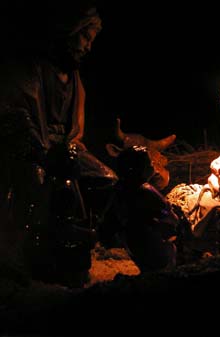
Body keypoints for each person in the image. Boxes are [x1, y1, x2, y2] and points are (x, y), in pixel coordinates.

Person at [0, 3, 117, 284]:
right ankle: (31, 255)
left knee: (106, 180)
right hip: (37, 151)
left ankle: (84, 241)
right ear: (68, 33)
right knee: (41, 191)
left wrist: (71, 149)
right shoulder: (33, 70)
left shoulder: (74, 77)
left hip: (68, 149)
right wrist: (42, 153)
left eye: (92, 40)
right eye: (85, 38)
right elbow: (17, 115)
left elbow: (73, 129)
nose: (88, 47)